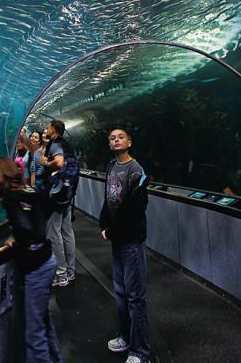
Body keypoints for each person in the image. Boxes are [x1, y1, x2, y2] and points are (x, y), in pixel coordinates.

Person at [0, 157, 62, 363]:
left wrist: (16, 239)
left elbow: (24, 228)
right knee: (44, 322)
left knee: (34, 334)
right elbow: (48, 206)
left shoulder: (10, 198)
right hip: (47, 259)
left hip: (36, 267)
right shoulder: (28, 190)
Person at [100, 128, 151, 363]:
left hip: (131, 240)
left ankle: (140, 351)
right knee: (120, 293)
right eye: (112, 138)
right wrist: (104, 223)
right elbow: (108, 200)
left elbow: (134, 208)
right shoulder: (112, 166)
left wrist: (113, 230)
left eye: (120, 137)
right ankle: (126, 337)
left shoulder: (136, 170)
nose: (116, 140)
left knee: (135, 297)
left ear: (129, 142)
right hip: (117, 240)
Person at [40, 119, 76, 287]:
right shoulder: (66, 143)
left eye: (48, 127)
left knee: (54, 233)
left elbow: (59, 162)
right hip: (67, 193)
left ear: (53, 130)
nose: (46, 130)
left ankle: (61, 274)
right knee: (67, 232)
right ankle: (70, 271)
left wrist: (46, 163)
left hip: (56, 194)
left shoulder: (55, 144)